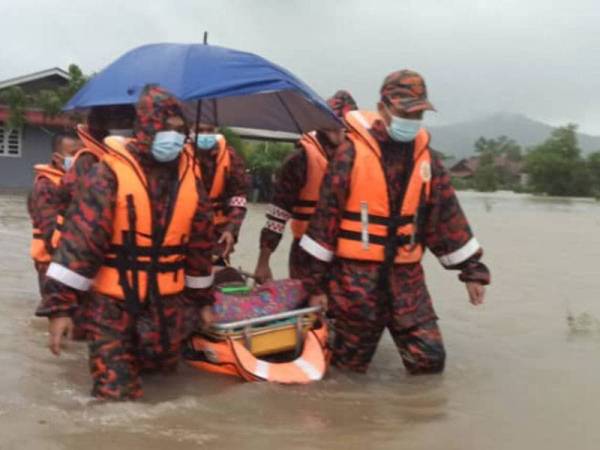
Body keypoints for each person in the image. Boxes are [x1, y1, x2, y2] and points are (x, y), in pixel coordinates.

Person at [299, 70, 491, 375]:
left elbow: (446, 217)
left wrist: (472, 271)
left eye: (418, 113)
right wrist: (315, 286)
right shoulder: (350, 153)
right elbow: (325, 224)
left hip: (407, 282)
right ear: (384, 108)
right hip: (354, 284)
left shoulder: (427, 158)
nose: (412, 119)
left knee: (429, 359)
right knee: (346, 372)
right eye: (405, 112)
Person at [36, 86, 215, 400]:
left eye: (178, 130)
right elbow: (79, 245)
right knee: (115, 399)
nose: (172, 137)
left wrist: (203, 303)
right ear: (145, 127)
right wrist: (60, 308)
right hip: (113, 310)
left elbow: (200, 249)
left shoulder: (191, 179)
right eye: (165, 129)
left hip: (169, 310)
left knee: (167, 396)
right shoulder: (107, 175)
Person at [253, 91, 357, 282]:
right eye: (333, 124)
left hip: (350, 254)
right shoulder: (300, 159)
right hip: (307, 251)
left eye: (345, 126)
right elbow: (278, 214)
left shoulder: (360, 157)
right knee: (309, 307)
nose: (339, 131)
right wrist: (263, 262)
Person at [28, 133, 81, 294]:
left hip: (75, 265)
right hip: (52, 266)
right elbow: (51, 236)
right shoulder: (46, 187)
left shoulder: (82, 181)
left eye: (82, 153)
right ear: (57, 158)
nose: (80, 158)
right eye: (73, 154)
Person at [193, 124, 249, 262]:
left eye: (209, 130)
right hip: (184, 230)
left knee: (216, 275)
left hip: (217, 231)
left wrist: (231, 229)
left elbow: (238, 197)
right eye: (199, 130)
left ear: (216, 130)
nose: (205, 134)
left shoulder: (230, 157)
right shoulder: (180, 155)